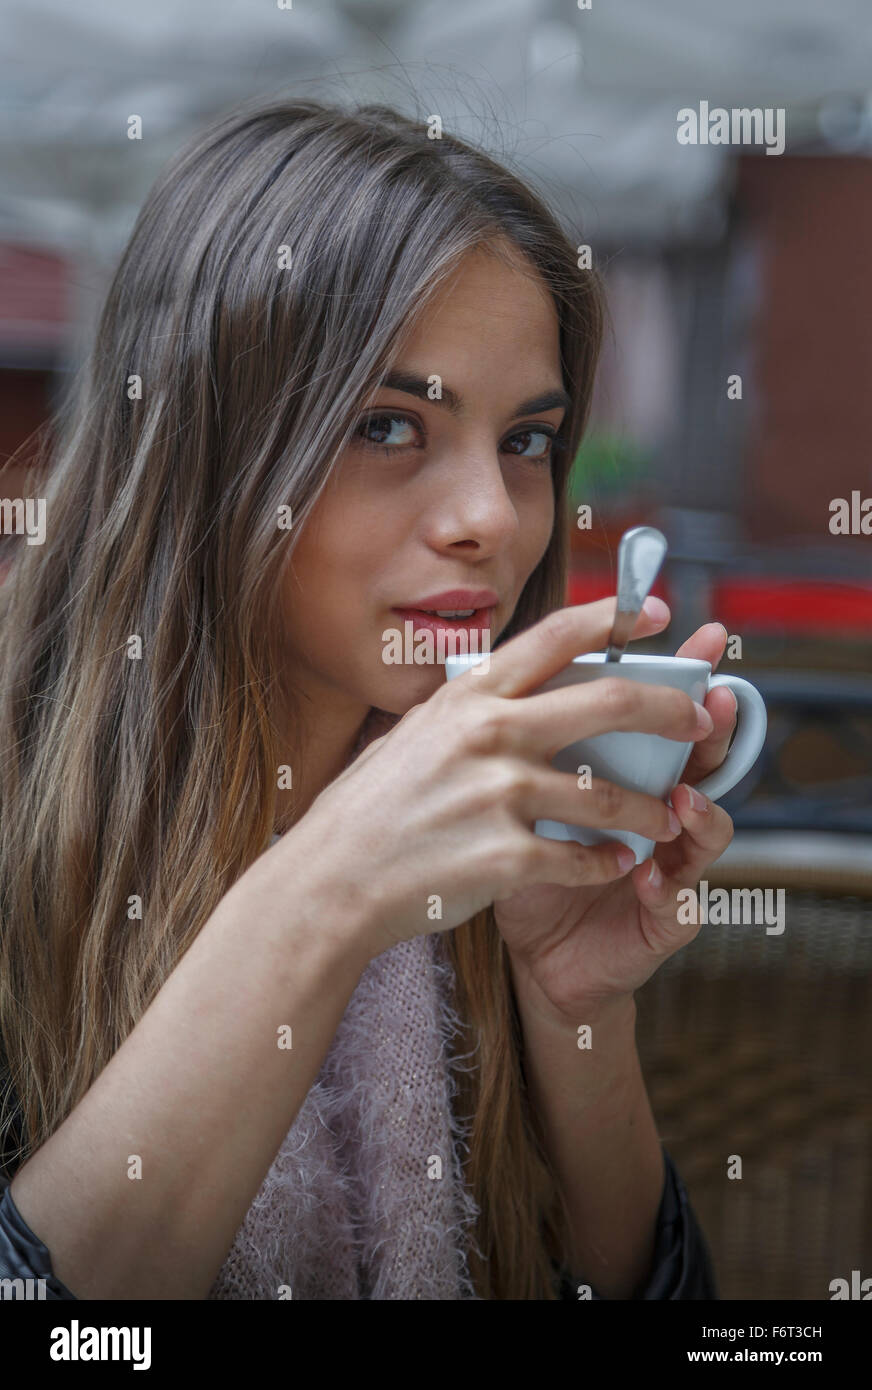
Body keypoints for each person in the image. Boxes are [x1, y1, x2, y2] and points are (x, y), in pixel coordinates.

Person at [0, 95, 731, 1300]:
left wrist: (573, 1016)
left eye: (526, 441)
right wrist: (325, 895)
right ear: (211, 441)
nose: (492, 520)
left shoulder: (503, 833)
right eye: (390, 424)